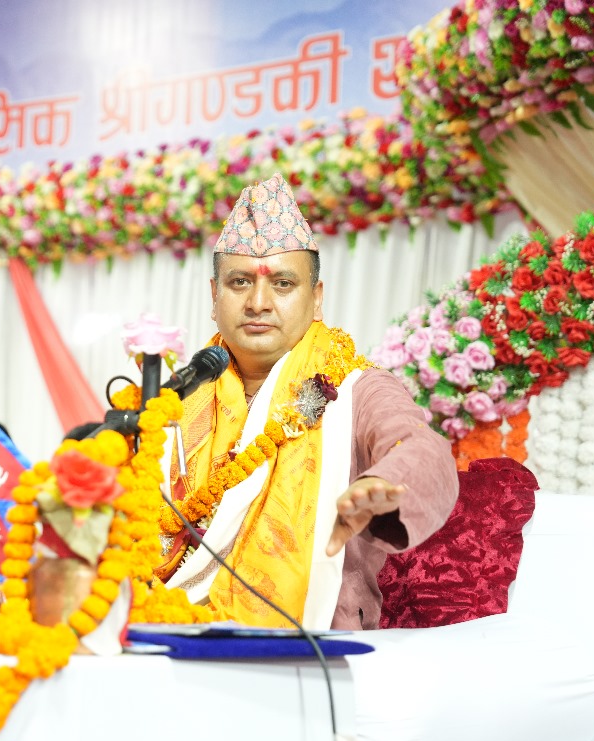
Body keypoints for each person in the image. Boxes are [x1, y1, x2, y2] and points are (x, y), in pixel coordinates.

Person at [161, 174, 458, 630]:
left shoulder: (357, 388)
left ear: (316, 299)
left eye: (283, 284)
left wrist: (385, 483)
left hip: (312, 644)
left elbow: (422, 448)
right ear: (214, 296)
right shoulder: (176, 396)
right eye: (239, 282)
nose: (258, 302)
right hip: (162, 628)